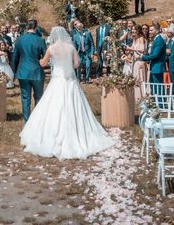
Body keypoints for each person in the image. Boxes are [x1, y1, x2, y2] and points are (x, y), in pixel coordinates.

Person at [19, 26, 115, 160]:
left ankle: (50, 135)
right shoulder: (71, 47)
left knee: (53, 106)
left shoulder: (51, 48)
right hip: (70, 80)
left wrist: (40, 60)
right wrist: (67, 65)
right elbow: (77, 63)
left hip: (57, 79)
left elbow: (42, 63)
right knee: (74, 105)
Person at [13, 19, 47, 122]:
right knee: (38, 97)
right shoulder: (40, 40)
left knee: (25, 98)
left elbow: (15, 57)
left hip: (23, 72)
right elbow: (45, 57)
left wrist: (14, 72)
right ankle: (36, 120)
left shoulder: (19, 40)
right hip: (37, 72)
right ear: (36, 27)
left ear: (27, 27)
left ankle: (27, 121)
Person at [122, 25, 147, 101]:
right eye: (132, 30)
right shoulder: (134, 39)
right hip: (134, 61)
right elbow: (133, 51)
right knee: (135, 78)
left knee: (140, 79)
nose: (133, 31)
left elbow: (142, 50)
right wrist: (127, 55)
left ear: (138, 31)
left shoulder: (141, 39)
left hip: (140, 61)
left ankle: (142, 96)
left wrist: (131, 49)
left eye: (134, 30)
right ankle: (136, 96)